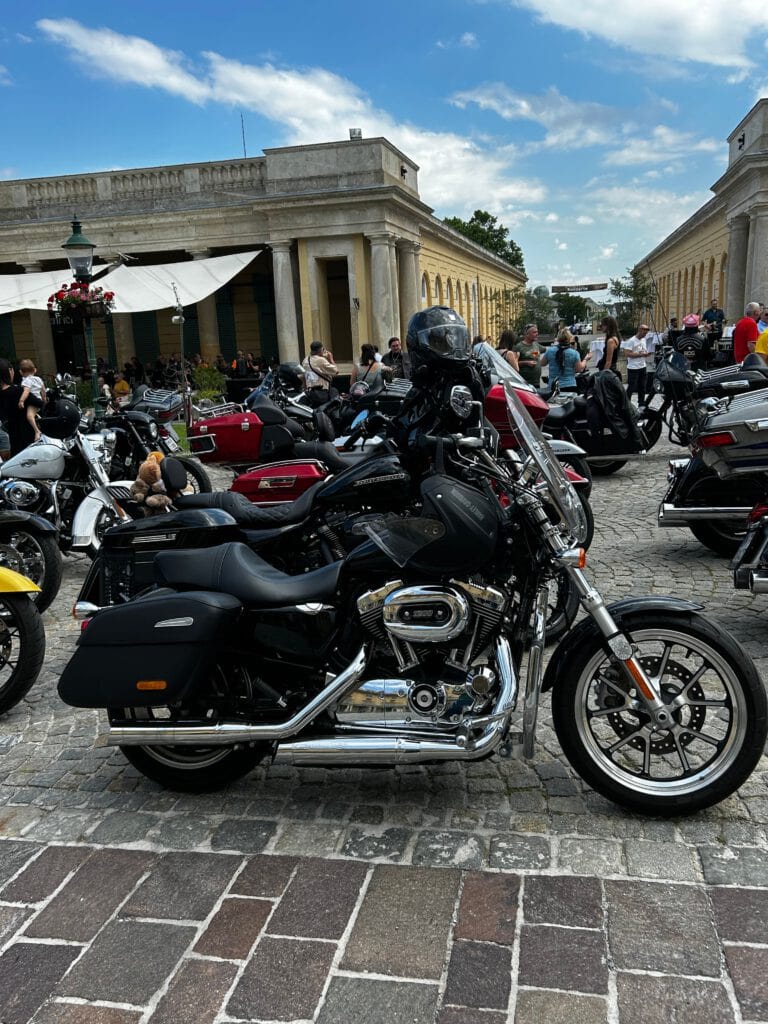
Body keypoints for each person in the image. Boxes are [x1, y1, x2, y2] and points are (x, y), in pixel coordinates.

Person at [0, 359, 43, 456]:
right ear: (10, 371)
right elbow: (40, 403)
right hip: (29, 443)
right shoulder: (19, 391)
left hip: (14, 444)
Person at [17, 359, 47, 441]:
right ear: (35, 370)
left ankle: (37, 431)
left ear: (21, 372)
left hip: (32, 402)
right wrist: (44, 400)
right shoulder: (38, 379)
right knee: (35, 416)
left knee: (29, 416)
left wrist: (21, 400)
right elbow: (43, 390)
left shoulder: (26, 380)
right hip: (39, 400)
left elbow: (26, 391)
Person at [621, 324, 651, 404]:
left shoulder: (643, 340)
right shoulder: (631, 341)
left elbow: (642, 350)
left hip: (642, 366)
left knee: (642, 386)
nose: (645, 335)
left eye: (646, 333)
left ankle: (641, 403)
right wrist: (640, 355)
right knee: (632, 387)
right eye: (644, 333)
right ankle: (627, 403)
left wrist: (646, 354)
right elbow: (627, 354)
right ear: (640, 330)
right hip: (633, 367)